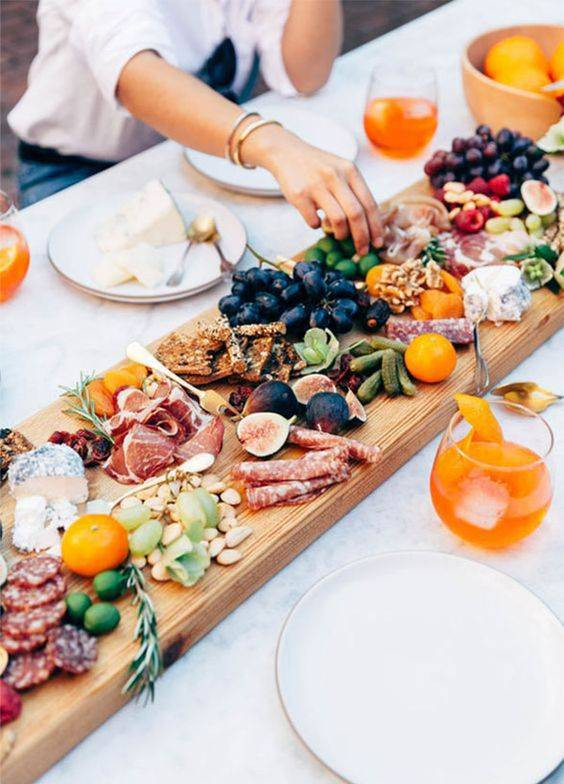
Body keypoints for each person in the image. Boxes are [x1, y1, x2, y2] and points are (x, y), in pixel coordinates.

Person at [8, 0, 382, 253]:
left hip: (204, 163)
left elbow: (306, 74)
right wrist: (274, 145)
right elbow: (132, 72)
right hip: (81, 174)